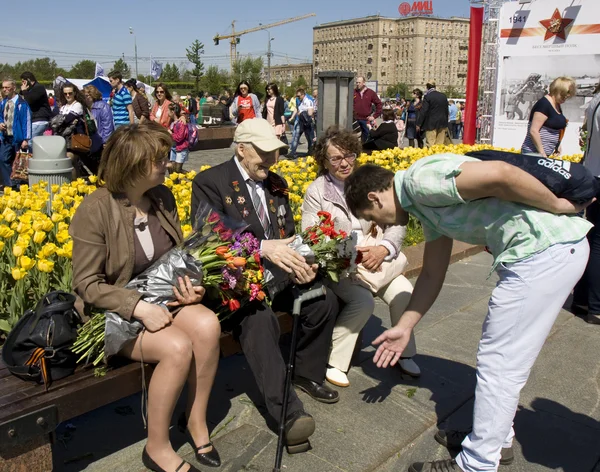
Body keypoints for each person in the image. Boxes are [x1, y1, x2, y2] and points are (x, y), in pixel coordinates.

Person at [344, 155, 592, 472]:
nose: (386, 226)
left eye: (374, 218)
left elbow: (501, 174)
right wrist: (405, 327)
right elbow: (433, 273)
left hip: (542, 254)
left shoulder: (420, 182)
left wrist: (557, 205)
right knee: (504, 362)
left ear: (374, 197)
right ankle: (493, 440)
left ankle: (477, 462)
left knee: (499, 363)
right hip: (544, 253)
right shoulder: (421, 203)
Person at [70, 122, 220, 472]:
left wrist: (191, 287)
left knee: (208, 324)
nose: (167, 165)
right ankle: (157, 447)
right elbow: (87, 285)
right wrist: (137, 308)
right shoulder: (96, 210)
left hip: (161, 299)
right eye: (160, 159)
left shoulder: (162, 198)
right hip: (111, 314)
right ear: (134, 163)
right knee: (177, 347)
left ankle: (196, 419)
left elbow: (176, 257)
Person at [191, 118, 339, 453]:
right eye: (264, 152)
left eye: (276, 152)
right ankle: (288, 413)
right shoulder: (209, 182)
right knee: (260, 323)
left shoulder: (278, 182)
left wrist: (302, 260)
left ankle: (304, 371)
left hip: (278, 275)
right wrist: (261, 248)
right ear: (241, 149)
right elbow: (209, 237)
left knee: (322, 301)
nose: (272, 160)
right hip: (237, 283)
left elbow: (286, 231)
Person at [301, 126, 419, 388]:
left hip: (377, 260)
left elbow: (397, 220)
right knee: (363, 302)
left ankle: (404, 352)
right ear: (324, 161)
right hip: (343, 265)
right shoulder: (317, 191)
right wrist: (345, 252)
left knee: (403, 293)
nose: (344, 163)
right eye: (336, 158)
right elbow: (310, 234)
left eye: (349, 155)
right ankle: (336, 361)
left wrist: (384, 248)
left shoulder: (367, 180)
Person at [573, 80, 600, 325]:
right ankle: (596, 305)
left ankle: (581, 298)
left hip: (593, 175)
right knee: (598, 242)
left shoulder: (594, 102)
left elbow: (586, 137)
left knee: (593, 239)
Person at [53, 83, 102, 179]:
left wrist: (60, 121)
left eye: (70, 93)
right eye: (65, 93)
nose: (68, 96)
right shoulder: (63, 107)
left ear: (74, 93)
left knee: (70, 160)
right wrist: (60, 122)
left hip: (77, 140)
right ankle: (77, 186)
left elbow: (66, 120)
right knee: (74, 163)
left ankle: (75, 185)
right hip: (65, 141)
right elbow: (56, 123)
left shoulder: (77, 105)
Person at [521, 76, 576, 157]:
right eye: (563, 95)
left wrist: (557, 145)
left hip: (543, 153)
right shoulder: (544, 104)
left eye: (567, 96)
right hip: (533, 153)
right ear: (556, 90)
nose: (565, 97)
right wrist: (542, 153)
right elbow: (534, 131)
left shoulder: (556, 104)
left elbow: (554, 127)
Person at [0, 79, 32, 187]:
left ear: (13, 88)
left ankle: (19, 185)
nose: (5, 90)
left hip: (18, 137)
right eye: (3, 87)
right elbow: (0, 116)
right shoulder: (3, 102)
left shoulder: (21, 103)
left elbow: (26, 121)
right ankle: (10, 184)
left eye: (7, 87)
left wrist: (26, 139)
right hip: (6, 137)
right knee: (3, 159)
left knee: (18, 162)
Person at [417, 81, 449, 147]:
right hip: (442, 123)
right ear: (435, 87)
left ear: (427, 87)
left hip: (431, 123)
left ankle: (432, 156)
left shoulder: (427, 97)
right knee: (440, 144)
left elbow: (424, 111)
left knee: (431, 143)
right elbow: (446, 110)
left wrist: (419, 124)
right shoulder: (443, 96)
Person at [19, 72, 52, 137]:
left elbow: (29, 100)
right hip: (32, 120)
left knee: (30, 142)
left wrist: (24, 91)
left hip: (39, 120)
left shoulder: (39, 87)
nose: (22, 84)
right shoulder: (30, 89)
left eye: (23, 82)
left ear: (28, 80)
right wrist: (23, 91)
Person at [353, 76, 382, 143]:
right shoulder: (353, 92)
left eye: (359, 82)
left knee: (366, 139)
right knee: (354, 139)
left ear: (364, 83)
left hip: (365, 120)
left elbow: (379, 104)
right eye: (356, 82)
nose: (357, 84)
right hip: (355, 120)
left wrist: (374, 116)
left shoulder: (370, 93)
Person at [288, 87, 315, 159]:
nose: (297, 97)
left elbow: (310, 112)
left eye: (298, 96)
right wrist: (293, 117)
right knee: (296, 136)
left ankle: (311, 152)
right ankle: (292, 152)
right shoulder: (300, 100)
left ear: (303, 94)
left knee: (309, 137)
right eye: (297, 96)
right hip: (300, 122)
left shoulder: (308, 101)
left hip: (307, 122)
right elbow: (296, 109)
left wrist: (302, 113)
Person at [168, 103, 189, 173]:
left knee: (178, 169)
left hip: (181, 148)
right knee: (172, 168)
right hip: (173, 147)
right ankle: (174, 183)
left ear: (173, 112)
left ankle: (191, 176)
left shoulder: (181, 123)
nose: (167, 112)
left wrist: (171, 134)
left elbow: (180, 137)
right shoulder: (172, 122)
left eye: (168, 111)